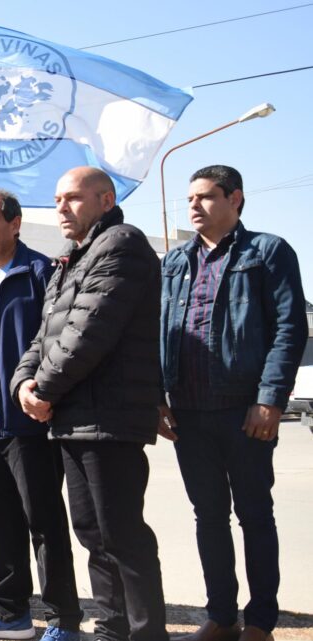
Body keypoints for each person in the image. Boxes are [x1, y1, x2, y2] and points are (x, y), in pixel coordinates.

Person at [11, 167, 168, 641]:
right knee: (92, 534)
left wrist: (43, 389)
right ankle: (112, 629)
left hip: (111, 417)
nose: (61, 208)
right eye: (57, 199)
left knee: (122, 535)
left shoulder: (122, 244)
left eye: (73, 198)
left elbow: (89, 332)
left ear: (105, 198)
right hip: (73, 418)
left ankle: (145, 633)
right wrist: (23, 380)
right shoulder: (71, 257)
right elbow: (45, 334)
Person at [159, 166, 306, 641]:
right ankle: (221, 617)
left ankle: (261, 620)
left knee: (255, 515)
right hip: (187, 412)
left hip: (245, 411)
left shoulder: (266, 252)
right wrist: (157, 396)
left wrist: (270, 400)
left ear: (235, 199)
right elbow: (157, 332)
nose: (194, 207)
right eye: (189, 199)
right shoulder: (176, 261)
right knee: (208, 517)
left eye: (204, 197)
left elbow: (290, 329)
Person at [0, 189, 82, 640]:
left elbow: (58, 341)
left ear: (16, 223)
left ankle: (63, 620)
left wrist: (45, 393)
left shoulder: (40, 273)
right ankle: (10, 613)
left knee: (44, 523)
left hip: (29, 422)